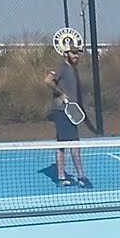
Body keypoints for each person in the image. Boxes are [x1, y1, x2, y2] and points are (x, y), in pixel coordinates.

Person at [44, 45, 90, 188]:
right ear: (66, 53)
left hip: (72, 112)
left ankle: (62, 177)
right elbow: (48, 80)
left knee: (63, 144)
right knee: (72, 144)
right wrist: (60, 94)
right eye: (73, 53)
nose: (76, 56)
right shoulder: (62, 68)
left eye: (78, 53)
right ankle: (80, 177)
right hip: (62, 111)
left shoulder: (73, 69)